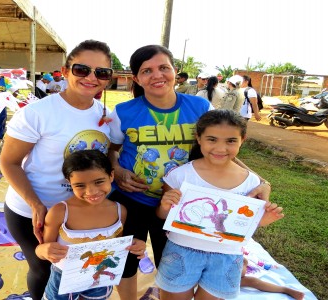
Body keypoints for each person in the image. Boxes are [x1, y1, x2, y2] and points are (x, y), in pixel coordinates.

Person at [107, 45, 271, 300]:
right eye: (146, 71)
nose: (157, 75)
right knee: (126, 260)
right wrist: (116, 169)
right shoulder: (124, 112)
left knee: (172, 261)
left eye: (164, 67)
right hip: (133, 199)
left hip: (180, 202)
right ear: (136, 78)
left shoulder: (199, 107)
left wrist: (261, 181)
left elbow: (221, 150)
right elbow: (111, 149)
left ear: (175, 71)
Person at [0, 39, 114, 300]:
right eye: (82, 69)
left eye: (101, 72)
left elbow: (111, 155)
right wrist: (36, 204)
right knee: (43, 269)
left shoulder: (108, 116)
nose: (91, 77)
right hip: (32, 211)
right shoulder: (38, 113)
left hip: (80, 213)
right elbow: (9, 162)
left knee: (80, 271)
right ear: (65, 71)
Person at [155, 109, 284, 300]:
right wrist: (165, 206)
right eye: (212, 139)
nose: (220, 148)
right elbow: (162, 216)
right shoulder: (180, 175)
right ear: (198, 138)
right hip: (181, 252)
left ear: (243, 140)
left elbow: (246, 224)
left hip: (227, 257)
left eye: (231, 141)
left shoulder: (252, 183)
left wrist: (265, 219)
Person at [35, 150, 146, 300]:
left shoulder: (120, 211)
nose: (91, 191)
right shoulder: (60, 212)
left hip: (100, 280)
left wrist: (136, 246)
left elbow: (117, 247)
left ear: (111, 176)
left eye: (99, 181)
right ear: (70, 183)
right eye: (80, 185)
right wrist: (44, 250)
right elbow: (42, 249)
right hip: (63, 279)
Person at [240, 258, 305, 300]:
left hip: (233, 279)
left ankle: (284, 289)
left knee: (253, 281)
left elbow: (240, 274)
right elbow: (241, 274)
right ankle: (284, 290)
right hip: (231, 279)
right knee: (244, 263)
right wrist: (245, 263)